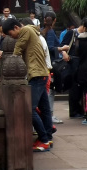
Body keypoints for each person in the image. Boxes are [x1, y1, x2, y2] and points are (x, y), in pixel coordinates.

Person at [3, 16, 54, 151]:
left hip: (37, 74)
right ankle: (47, 138)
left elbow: (19, 47)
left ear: (16, 27)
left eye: (10, 34)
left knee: (29, 109)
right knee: (45, 109)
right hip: (40, 74)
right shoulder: (32, 31)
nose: (12, 37)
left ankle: (43, 139)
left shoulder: (25, 30)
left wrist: (11, 58)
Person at [61, 17, 87, 122]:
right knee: (82, 90)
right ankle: (83, 113)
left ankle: (82, 112)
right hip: (86, 66)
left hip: (79, 65)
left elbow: (78, 52)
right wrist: (64, 52)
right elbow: (62, 45)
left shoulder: (81, 39)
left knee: (80, 89)